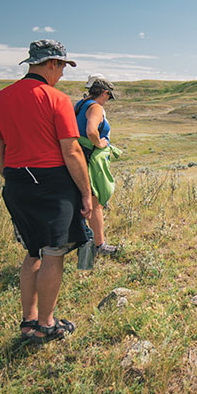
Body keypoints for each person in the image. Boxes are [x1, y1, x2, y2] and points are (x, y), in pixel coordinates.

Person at [0, 39, 93, 342]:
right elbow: (71, 151)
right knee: (52, 253)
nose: (61, 74)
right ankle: (47, 324)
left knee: (32, 251)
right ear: (51, 64)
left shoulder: (0, 99)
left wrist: (15, 176)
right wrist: (85, 193)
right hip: (53, 184)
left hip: (17, 183)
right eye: (62, 67)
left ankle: (28, 321)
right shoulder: (55, 99)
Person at [74, 74, 120, 260]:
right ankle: (98, 246)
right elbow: (91, 131)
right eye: (109, 96)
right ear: (105, 93)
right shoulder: (95, 108)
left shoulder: (80, 104)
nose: (108, 100)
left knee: (83, 203)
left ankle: (85, 247)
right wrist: (100, 144)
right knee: (95, 203)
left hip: (77, 157)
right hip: (87, 160)